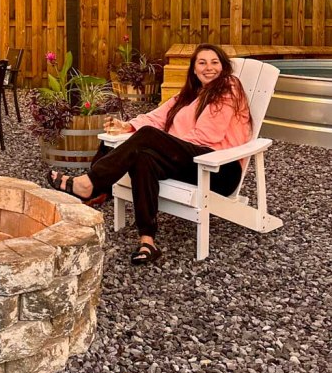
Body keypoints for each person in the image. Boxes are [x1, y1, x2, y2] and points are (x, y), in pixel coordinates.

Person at [48, 44, 251, 266]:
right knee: (143, 156)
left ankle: (91, 184)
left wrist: (166, 145)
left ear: (223, 67)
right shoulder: (188, 95)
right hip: (190, 162)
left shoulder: (229, 86)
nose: (209, 68)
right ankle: (148, 241)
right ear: (194, 69)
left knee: (148, 139)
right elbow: (156, 118)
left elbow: (208, 136)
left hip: (220, 168)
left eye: (215, 62)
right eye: (202, 63)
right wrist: (127, 126)